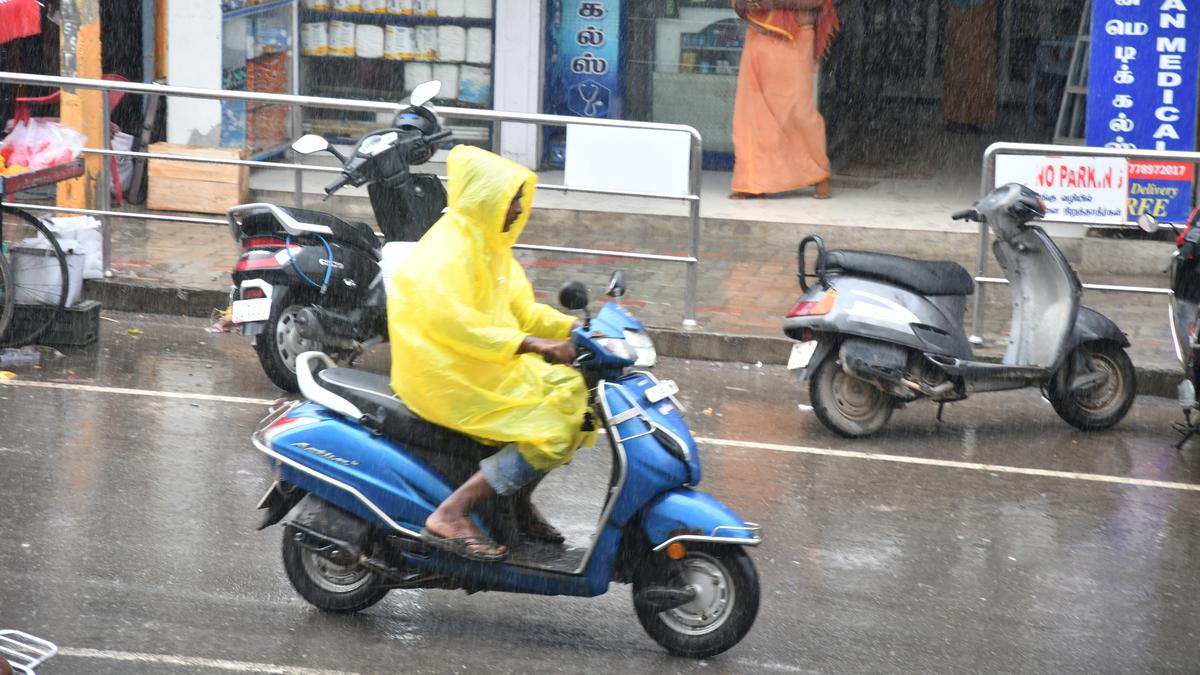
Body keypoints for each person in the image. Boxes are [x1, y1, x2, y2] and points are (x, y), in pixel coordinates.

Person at [387, 145, 593, 561]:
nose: (518, 208)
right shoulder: (448, 250)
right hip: (446, 374)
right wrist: (530, 344)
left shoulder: (491, 248)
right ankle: (452, 512)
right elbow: (455, 323)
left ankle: (512, 502)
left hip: (480, 364)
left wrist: (578, 328)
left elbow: (522, 311)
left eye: (519, 197)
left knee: (580, 403)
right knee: (552, 428)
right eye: (511, 198)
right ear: (486, 198)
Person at [730, 0, 839, 201]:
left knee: (798, 110)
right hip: (760, 36)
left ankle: (818, 174)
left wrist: (770, 2)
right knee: (753, 112)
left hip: (796, 35)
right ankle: (753, 181)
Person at [943, 0, 997, 131]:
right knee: (974, 67)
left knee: (963, 65)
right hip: (976, 12)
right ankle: (973, 116)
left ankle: (962, 116)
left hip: (965, 12)